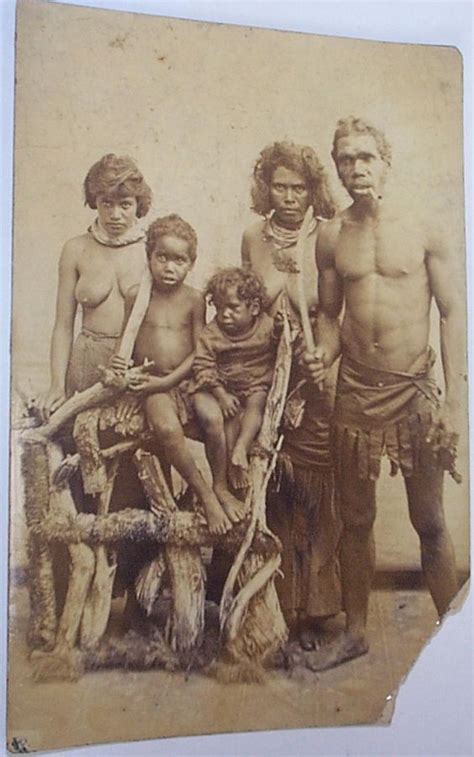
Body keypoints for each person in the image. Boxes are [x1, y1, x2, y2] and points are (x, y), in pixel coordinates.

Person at [305, 116, 461, 670]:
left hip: (413, 391)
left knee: (431, 521)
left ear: (386, 161)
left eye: (366, 157)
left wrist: (457, 406)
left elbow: (452, 311)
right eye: (346, 159)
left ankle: (454, 641)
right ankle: (355, 633)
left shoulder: (423, 225)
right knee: (356, 519)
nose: (355, 168)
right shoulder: (330, 234)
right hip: (355, 394)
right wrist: (322, 353)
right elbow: (328, 316)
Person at [240, 141, 342, 649]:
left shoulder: (325, 236)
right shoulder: (253, 238)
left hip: (312, 370)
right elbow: (254, 308)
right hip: (265, 368)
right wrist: (280, 275)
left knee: (315, 483)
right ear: (266, 187)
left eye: (298, 187)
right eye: (279, 185)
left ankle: (318, 607)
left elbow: (331, 314)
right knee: (273, 481)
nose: (288, 196)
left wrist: (320, 355)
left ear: (312, 189)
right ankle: (278, 605)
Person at [112, 215, 245, 536]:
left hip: (187, 378)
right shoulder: (136, 296)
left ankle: (221, 486)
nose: (170, 267)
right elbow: (124, 342)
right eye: (162, 258)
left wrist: (172, 382)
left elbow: (200, 350)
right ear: (149, 257)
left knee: (214, 419)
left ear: (191, 264)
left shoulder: (194, 299)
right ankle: (203, 493)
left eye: (179, 260)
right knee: (166, 426)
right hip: (153, 384)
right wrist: (121, 372)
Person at [39, 154, 152, 419]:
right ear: (95, 202)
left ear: (138, 204)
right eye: (106, 203)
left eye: (125, 204)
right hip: (84, 366)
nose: (115, 214)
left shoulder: (152, 251)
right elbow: (63, 325)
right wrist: (57, 384)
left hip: (131, 369)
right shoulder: (75, 249)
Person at [192, 267, 276, 499]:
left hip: (256, 382)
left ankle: (243, 445)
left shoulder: (266, 326)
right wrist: (220, 395)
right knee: (229, 415)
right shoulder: (212, 334)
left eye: (233, 308)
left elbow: (282, 343)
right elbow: (203, 365)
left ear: (254, 308)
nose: (224, 314)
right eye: (219, 308)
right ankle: (231, 468)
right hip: (224, 385)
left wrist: (286, 330)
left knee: (257, 402)